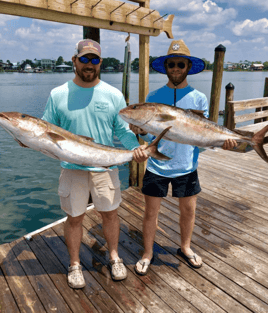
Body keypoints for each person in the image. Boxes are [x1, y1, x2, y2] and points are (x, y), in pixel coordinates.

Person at [42, 39, 148, 288]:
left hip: (106, 167)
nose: (89, 64)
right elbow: (46, 131)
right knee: (74, 218)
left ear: (100, 63)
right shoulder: (58, 94)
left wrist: (136, 148)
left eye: (95, 60)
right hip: (71, 169)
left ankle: (114, 257)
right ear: (74, 60)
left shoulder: (113, 94)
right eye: (85, 59)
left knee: (110, 215)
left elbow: (122, 131)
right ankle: (75, 264)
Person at [130, 39, 237, 275]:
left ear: (188, 67)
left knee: (188, 211)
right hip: (157, 165)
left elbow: (203, 133)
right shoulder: (155, 96)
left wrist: (223, 143)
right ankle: (147, 252)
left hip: (187, 165)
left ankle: (185, 247)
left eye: (180, 64)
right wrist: (141, 131)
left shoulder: (198, 98)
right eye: (171, 64)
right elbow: (149, 134)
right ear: (166, 67)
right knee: (150, 212)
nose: (176, 69)